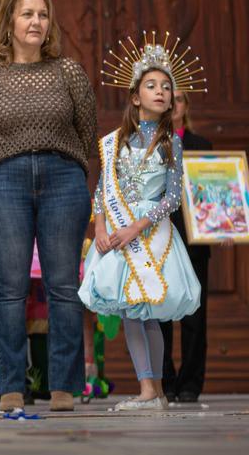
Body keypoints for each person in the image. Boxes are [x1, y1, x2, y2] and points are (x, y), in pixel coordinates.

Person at [0, 0, 96, 413]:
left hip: (63, 179)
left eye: (42, 14)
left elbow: (87, 132)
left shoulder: (69, 72)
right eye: (27, 14)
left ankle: (63, 387)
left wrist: (67, 164)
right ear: (9, 22)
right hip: (4, 182)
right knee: (10, 288)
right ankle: (11, 389)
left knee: (62, 286)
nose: (36, 21)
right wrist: (4, 167)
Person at [79, 35, 203, 410]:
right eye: (152, 86)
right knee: (133, 311)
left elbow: (171, 197)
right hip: (116, 233)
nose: (161, 92)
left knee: (147, 313)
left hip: (152, 235)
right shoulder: (114, 142)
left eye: (166, 87)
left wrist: (135, 227)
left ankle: (154, 391)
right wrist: (100, 228)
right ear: (135, 96)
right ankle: (149, 388)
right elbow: (102, 188)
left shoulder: (171, 142)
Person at [161, 91, 214, 402]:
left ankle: (191, 383)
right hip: (163, 239)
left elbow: (214, 192)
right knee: (162, 312)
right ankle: (165, 380)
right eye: (170, 97)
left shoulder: (202, 146)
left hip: (195, 241)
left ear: (186, 106)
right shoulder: (152, 145)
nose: (174, 103)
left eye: (180, 99)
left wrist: (223, 222)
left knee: (195, 315)